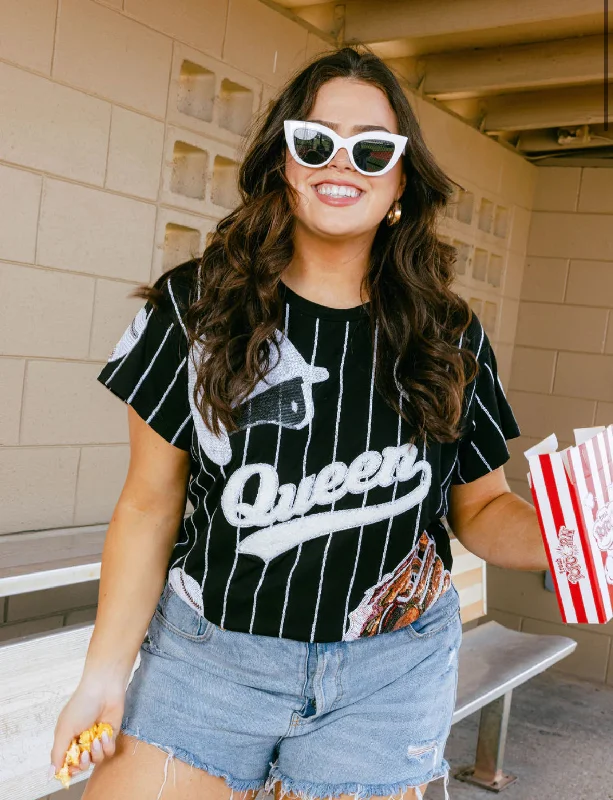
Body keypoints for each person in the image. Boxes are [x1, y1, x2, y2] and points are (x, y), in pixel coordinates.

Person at [50, 46, 548, 800]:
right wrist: (101, 677)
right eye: (314, 142)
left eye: (371, 149)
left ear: (400, 181)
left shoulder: (447, 334)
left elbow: (478, 508)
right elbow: (149, 505)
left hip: (387, 676)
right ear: (283, 161)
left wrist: (568, 541)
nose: (338, 164)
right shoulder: (195, 311)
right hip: (207, 662)